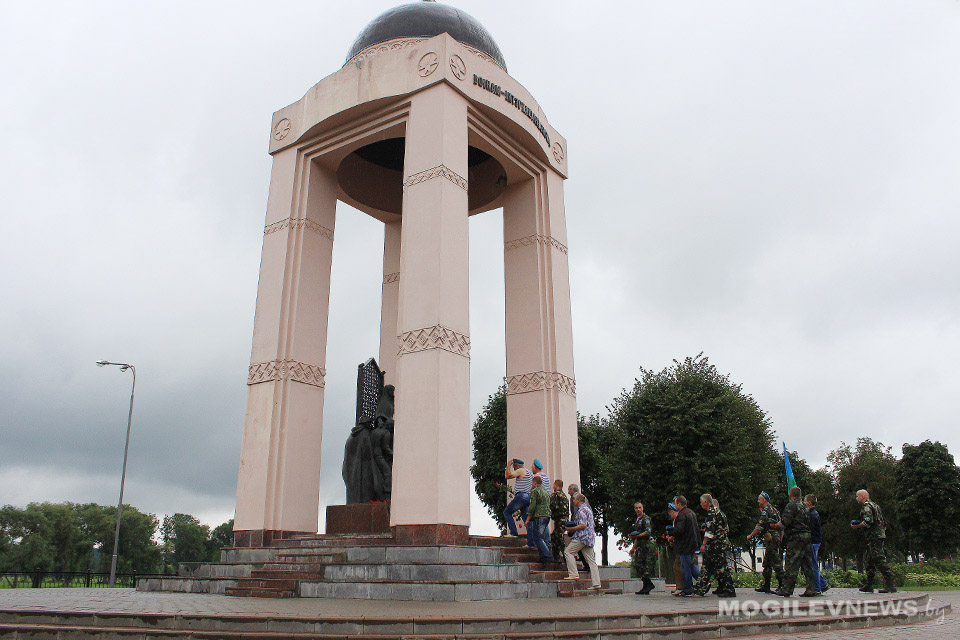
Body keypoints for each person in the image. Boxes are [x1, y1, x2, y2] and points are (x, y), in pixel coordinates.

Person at [775, 486, 819, 597]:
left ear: (791, 495)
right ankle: (811, 588)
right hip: (807, 536)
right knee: (807, 563)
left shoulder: (791, 506)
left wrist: (774, 526)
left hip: (796, 537)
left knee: (791, 563)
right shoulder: (806, 506)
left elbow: (785, 522)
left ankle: (787, 589)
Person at [852, 489, 896, 593]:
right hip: (877, 536)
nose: (856, 499)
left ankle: (890, 585)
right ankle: (869, 585)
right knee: (869, 561)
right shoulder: (875, 505)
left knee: (879, 559)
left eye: (857, 496)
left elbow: (868, 522)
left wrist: (856, 526)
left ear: (863, 497)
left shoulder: (866, 507)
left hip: (874, 537)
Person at [693, 494, 736, 597]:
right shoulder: (719, 512)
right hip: (719, 544)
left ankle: (729, 589)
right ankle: (700, 587)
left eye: (701, 502)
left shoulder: (711, 513)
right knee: (707, 566)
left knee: (721, 568)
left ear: (706, 502)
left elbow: (709, 532)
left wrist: (703, 544)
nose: (700, 504)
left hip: (716, 545)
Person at [746, 491, 785, 593]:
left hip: (771, 538)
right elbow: (782, 525)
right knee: (767, 561)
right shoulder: (775, 510)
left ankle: (782, 585)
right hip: (775, 538)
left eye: (759, 499)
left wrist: (750, 536)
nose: (758, 501)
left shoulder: (766, 510)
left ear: (764, 500)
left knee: (776, 561)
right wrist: (780, 538)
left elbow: (760, 526)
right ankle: (766, 585)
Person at [563, 493, 601, 589]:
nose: (573, 501)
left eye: (575, 499)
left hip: (582, 537)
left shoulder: (581, 510)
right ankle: (596, 583)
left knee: (568, 552)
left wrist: (572, 529)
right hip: (589, 538)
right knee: (591, 561)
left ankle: (573, 574)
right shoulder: (587, 509)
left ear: (579, 500)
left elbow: (583, 525)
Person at [669, 495, 700, 596]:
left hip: (685, 545)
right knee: (690, 565)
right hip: (693, 543)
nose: (674, 505)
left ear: (679, 504)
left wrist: (671, 533)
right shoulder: (692, 513)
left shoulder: (681, 515)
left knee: (685, 567)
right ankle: (702, 582)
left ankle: (688, 589)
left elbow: (680, 530)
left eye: (675, 503)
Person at [524, 475, 553, 563]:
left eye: (532, 483)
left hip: (539, 515)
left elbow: (532, 506)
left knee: (537, 537)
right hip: (547, 515)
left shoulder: (535, 491)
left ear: (535, 483)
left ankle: (547, 556)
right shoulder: (546, 492)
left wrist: (528, 518)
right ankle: (542, 557)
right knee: (542, 537)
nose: (532, 484)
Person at [629, 501, 655, 595]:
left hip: (645, 545)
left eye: (640, 507)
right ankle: (647, 584)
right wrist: (633, 547)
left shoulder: (645, 518)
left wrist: (638, 535)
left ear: (643, 508)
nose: (638, 509)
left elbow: (648, 532)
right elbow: (637, 535)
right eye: (636, 508)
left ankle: (648, 585)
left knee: (643, 565)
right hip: (639, 545)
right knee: (638, 565)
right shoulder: (637, 519)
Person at [805, 494, 830, 593]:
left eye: (805, 501)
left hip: (813, 542)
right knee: (813, 563)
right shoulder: (815, 513)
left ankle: (817, 588)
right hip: (816, 541)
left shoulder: (811, 515)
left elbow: (809, 529)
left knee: (813, 565)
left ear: (809, 503)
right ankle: (823, 584)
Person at [503, 459, 533, 537]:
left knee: (507, 512)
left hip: (521, 496)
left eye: (514, 467)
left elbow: (507, 476)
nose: (514, 469)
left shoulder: (521, 470)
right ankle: (530, 542)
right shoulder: (530, 473)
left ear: (516, 466)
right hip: (528, 497)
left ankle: (513, 532)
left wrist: (508, 465)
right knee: (527, 519)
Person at [549, 479, 569, 562]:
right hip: (565, 519)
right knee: (555, 537)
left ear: (556, 485)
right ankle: (557, 556)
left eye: (554, 484)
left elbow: (553, 506)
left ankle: (566, 556)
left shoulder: (555, 495)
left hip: (559, 519)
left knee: (559, 538)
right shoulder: (564, 495)